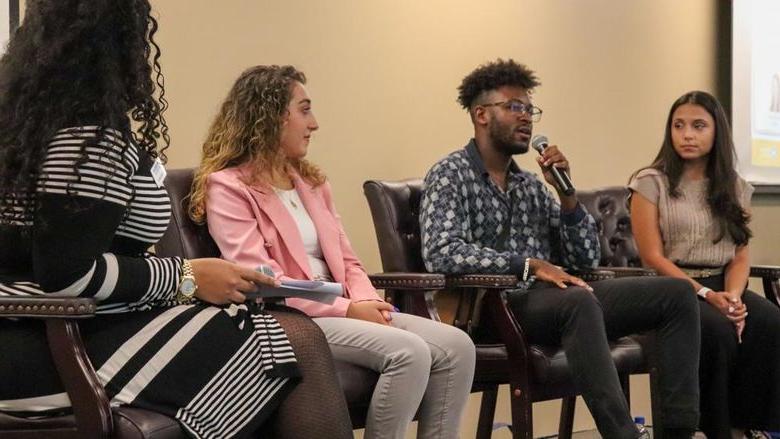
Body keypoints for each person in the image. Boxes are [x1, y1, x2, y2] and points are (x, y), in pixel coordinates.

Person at [0, 2, 352, 438]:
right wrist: (185, 277)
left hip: (62, 327)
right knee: (292, 339)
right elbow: (66, 274)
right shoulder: (88, 135)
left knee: (277, 337)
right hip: (48, 346)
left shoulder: (34, 124)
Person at [190, 64, 477, 439]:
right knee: (409, 353)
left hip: (344, 309)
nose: (314, 123)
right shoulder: (228, 187)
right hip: (289, 319)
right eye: (304, 110)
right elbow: (263, 278)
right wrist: (347, 308)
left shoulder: (311, 183)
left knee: (458, 347)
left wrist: (369, 303)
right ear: (271, 116)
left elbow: (348, 260)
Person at [420, 59, 702, 439]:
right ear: (481, 114)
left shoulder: (533, 186)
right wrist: (528, 265)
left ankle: (680, 431)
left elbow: (585, 259)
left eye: (530, 109)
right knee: (578, 301)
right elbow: (442, 251)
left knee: (677, 294)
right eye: (514, 107)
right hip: (492, 306)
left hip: (553, 302)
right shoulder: (450, 174)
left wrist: (567, 196)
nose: (526, 118)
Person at [629, 91, 780, 439]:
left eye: (698, 126)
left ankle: (749, 426)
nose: (687, 135)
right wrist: (707, 294)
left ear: (717, 133)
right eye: (678, 126)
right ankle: (718, 430)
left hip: (722, 286)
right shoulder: (650, 182)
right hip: (673, 291)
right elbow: (652, 256)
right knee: (716, 331)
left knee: (770, 322)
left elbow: (740, 253)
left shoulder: (736, 187)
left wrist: (734, 297)